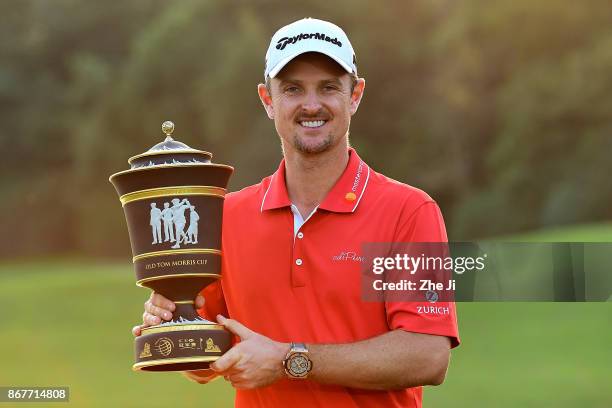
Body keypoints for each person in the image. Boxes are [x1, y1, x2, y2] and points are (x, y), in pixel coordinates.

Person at [133, 18, 459, 408]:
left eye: (328, 87)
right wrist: (171, 321)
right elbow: (206, 360)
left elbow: (428, 355)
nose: (311, 105)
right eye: (292, 89)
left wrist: (289, 360)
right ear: (267, 100)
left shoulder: (409, 211)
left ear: (354, 95)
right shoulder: (226, 216)